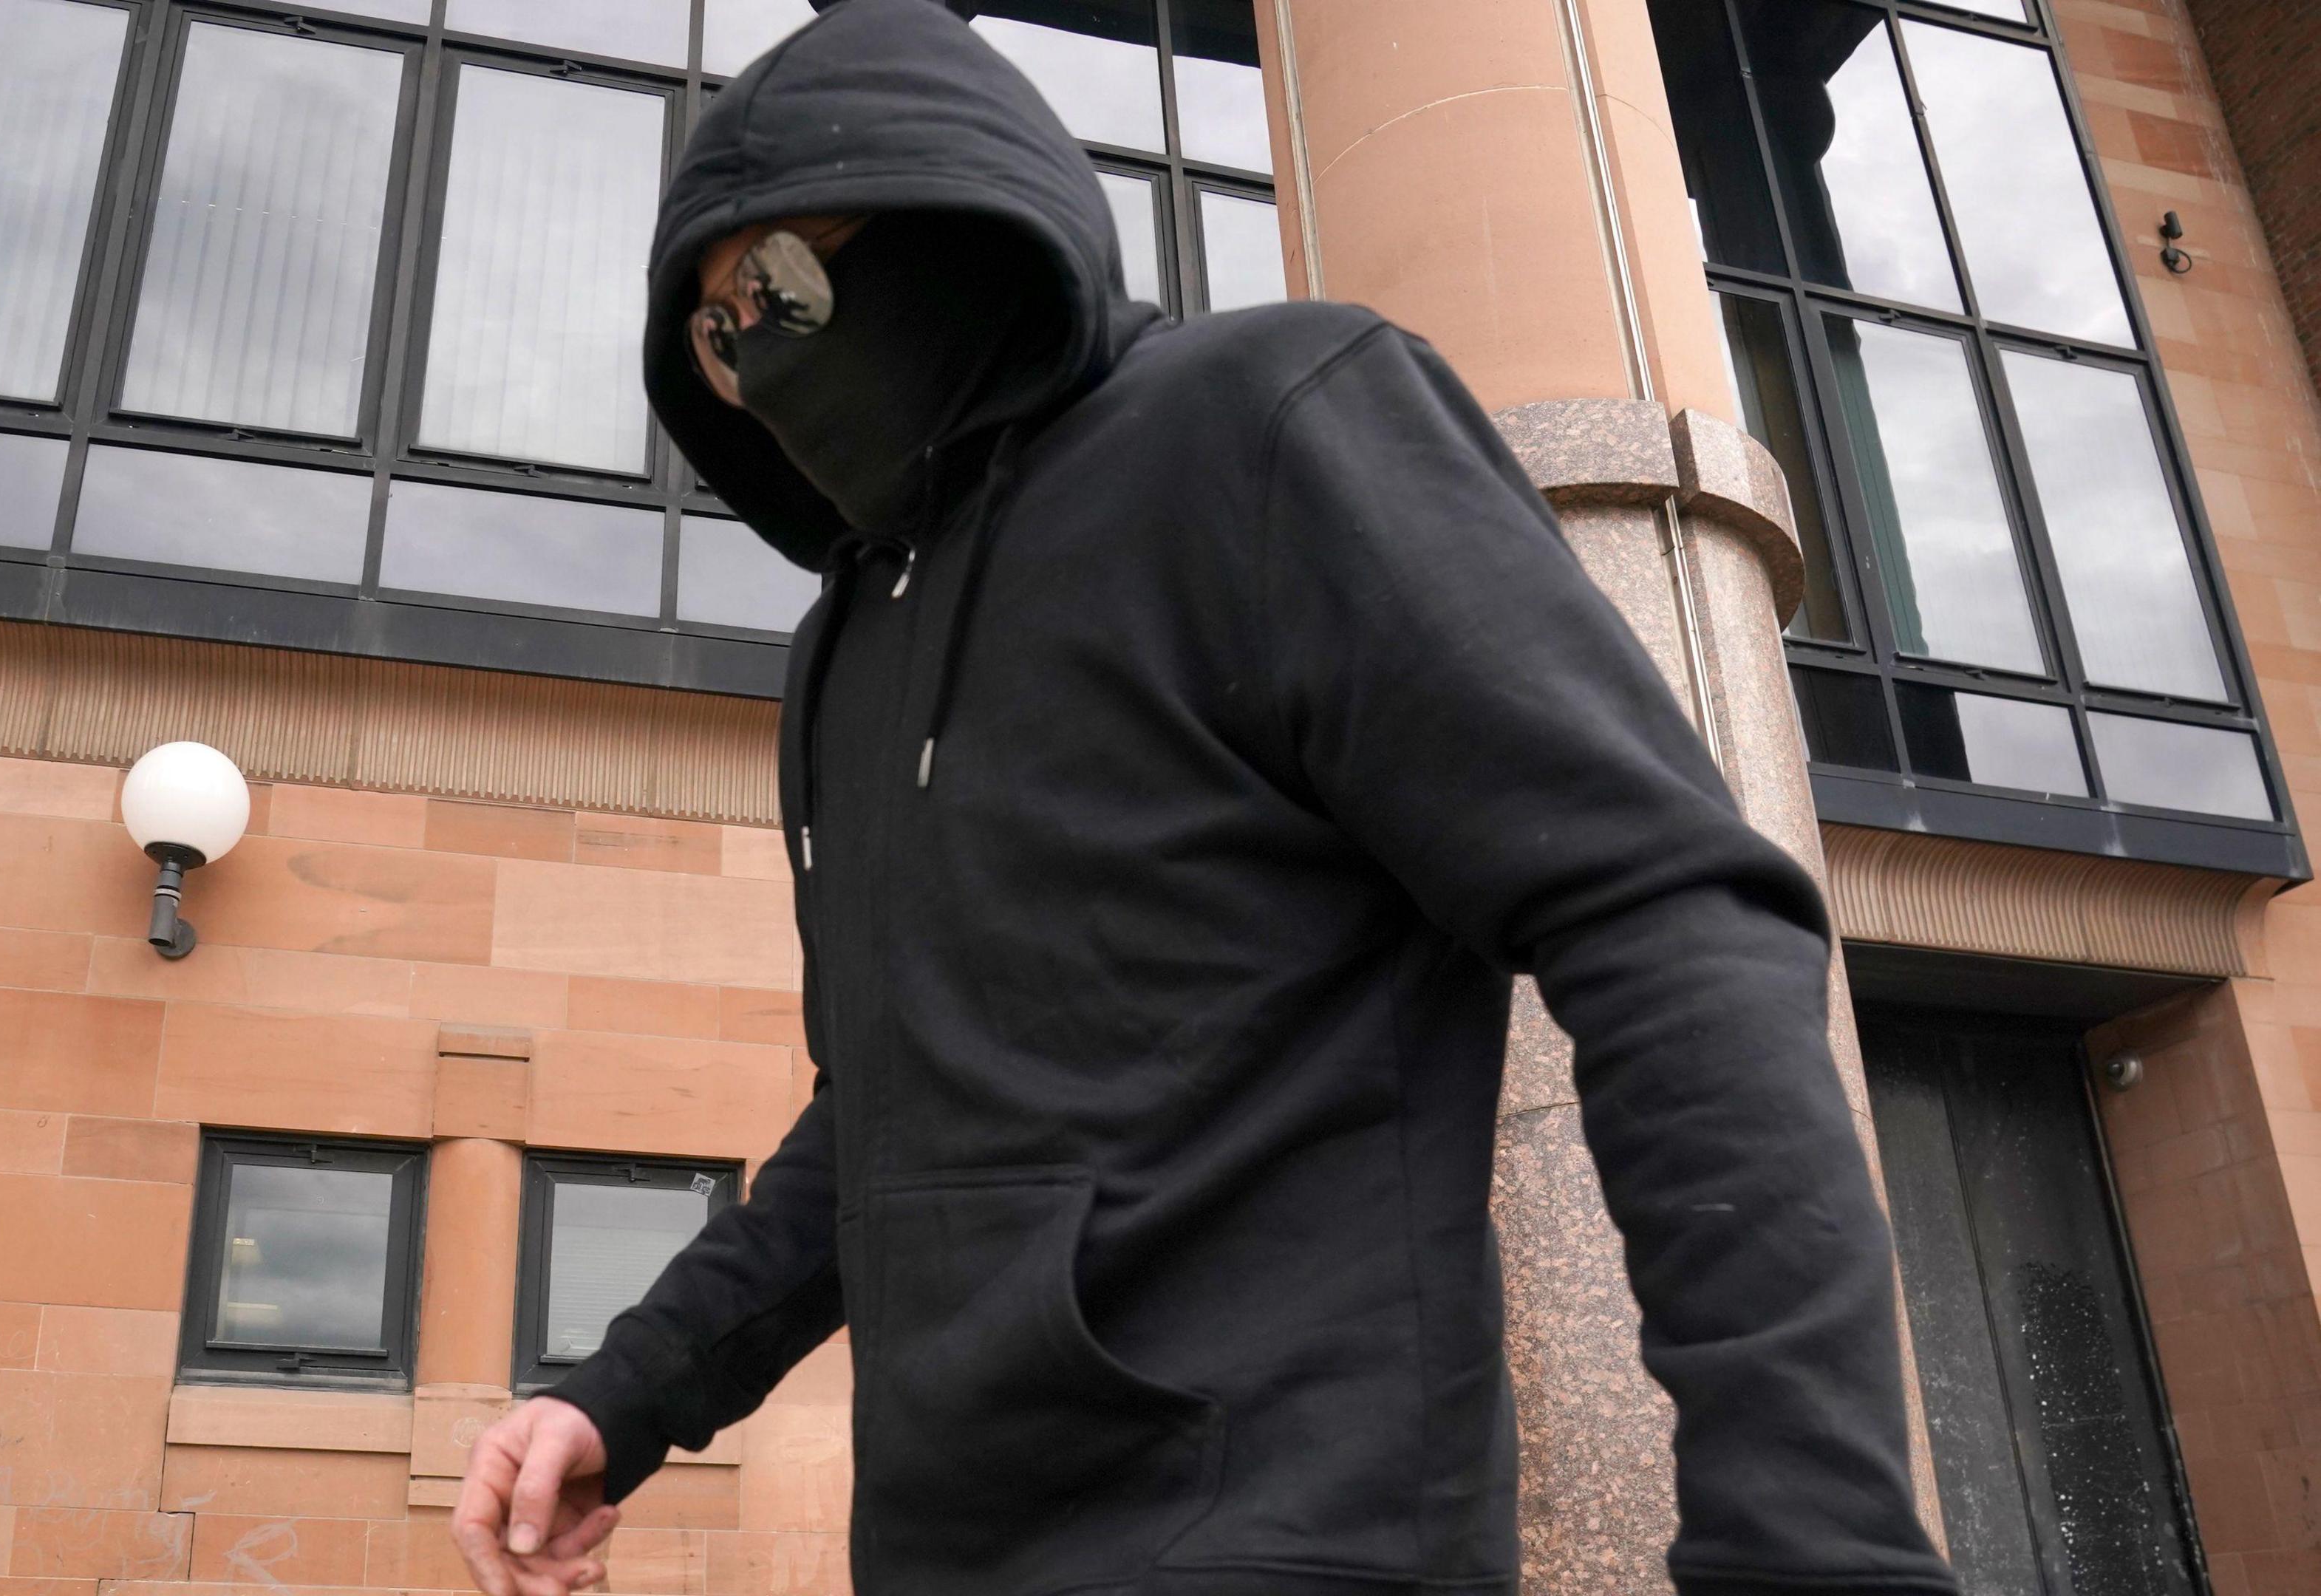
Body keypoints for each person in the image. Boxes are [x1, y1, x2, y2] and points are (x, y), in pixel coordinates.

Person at [452, 1, 1957, 1593]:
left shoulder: (1267, 425)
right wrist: (620, 1396)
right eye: (714, 334)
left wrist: (1814, 1538)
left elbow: (1667, 916)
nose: (758, 355)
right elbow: (886, 1118)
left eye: (781, 288)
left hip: (1293, 1537)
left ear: (952, 209)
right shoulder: (845, 652)